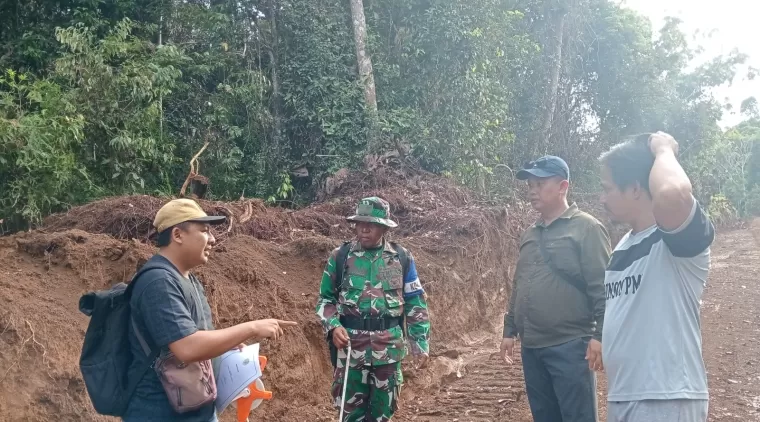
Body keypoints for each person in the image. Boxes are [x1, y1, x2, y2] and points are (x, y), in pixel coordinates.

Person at [124, 198, 297, 421]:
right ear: (177, 235)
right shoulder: (159, 282)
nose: (213, 239)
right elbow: (186, 347)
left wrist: (227, 345)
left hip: (195, 409)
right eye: (205, 231)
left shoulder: (187, 279)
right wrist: (251, 327)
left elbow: (190, 336)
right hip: (161, 413)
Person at [599, 132, 714, 422]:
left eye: (608, 189)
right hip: (624, 395)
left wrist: (663, 149)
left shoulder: (674, 242)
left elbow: (672, 194)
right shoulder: (623, 246)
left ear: (636, 188)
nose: (602, 199)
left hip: (666, 396)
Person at [500, 155, 611, 422]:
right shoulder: (530, 233)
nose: (532, 190)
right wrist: (509, 329)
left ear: (563, 186)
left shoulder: (587, 228)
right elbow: (519, 283)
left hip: (571, 346)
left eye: (539, 183)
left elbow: (604, 287)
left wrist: (600, 335)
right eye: (530, 185)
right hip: (532, 348)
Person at [315, 196, 431, 422]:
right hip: (351, 352)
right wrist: (333, 326)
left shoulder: (401, 258)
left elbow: (415, 303)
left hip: (388, 351)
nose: (364, 229)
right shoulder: (340, 257)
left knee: (382, 416)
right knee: (349, 416)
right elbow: (324, 301)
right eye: (360, 223)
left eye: (371, 224)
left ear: (384, 228)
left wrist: (420, 343)